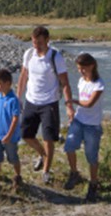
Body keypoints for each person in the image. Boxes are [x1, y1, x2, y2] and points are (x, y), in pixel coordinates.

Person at [17, 26, 74, 185]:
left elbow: (65, 83)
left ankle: (46, 171)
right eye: (34, 42)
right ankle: (42, 154)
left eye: (40, 43)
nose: (36, 46)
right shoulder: (29, 54)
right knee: (26, 135)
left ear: (47, 41)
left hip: (49, 102)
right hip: (31, 100)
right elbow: (23, 76)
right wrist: (17, 98)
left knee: (49, 138)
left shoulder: (55, 57)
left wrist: (69, 105)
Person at [63, 53, 105, 202]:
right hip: (79, 120)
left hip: (92, 125)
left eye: (83, 68)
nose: (80, 71)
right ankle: (74, 173)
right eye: (79, 69)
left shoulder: (98, 84)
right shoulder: (81, 81)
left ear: (91, 66)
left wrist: (72, 101)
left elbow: (89, 103)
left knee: (91, 156)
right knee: (69, 146)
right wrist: (72, 113)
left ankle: (93, 183)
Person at [0, 68, 22, 194]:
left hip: (9, 137)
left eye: (0, 84)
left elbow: (15, 119)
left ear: (8, 83)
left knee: (13, 158)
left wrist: (9, 135)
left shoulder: (13, 100)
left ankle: (18, 177)